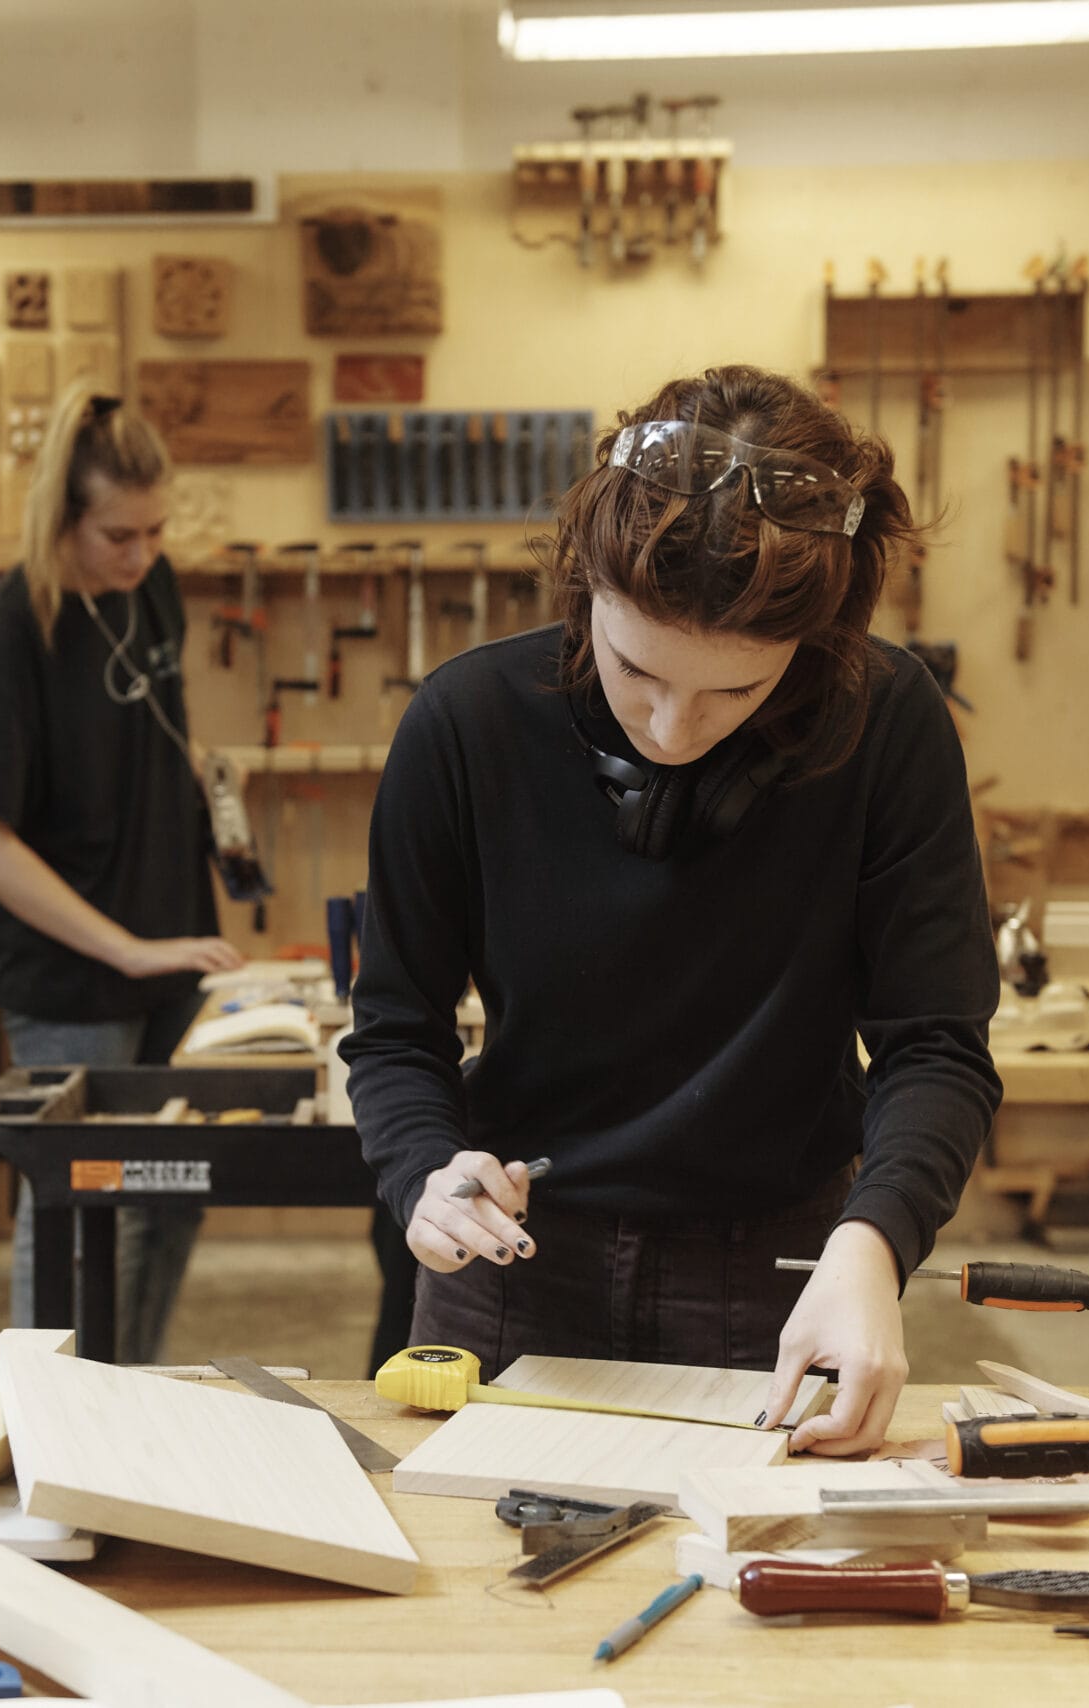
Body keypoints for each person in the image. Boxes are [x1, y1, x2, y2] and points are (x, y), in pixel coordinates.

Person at [340, 364, 1001, 1455]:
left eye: (734, 692)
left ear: (818, 639)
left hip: (782, 1275)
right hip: (512, 1267)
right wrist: (423, 1172)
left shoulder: (887, 726)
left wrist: (873, 1244)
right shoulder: (466, 724)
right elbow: (394, 1030)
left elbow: (935, 1044)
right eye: (634, 668)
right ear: (581, 589)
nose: (672, 727)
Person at [0, 383, 243, 1364]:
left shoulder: (145, 590)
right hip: (75, 977)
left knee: (171, 1201)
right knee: (81, 1218)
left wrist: (209, 794)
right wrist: (126, 948)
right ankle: (55, 1443)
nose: (142, 554)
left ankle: (129, 1407)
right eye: (118, 533)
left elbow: (144, 737)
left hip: (171, 950)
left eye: (156, 531)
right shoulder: (8, 635)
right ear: (59, 518)